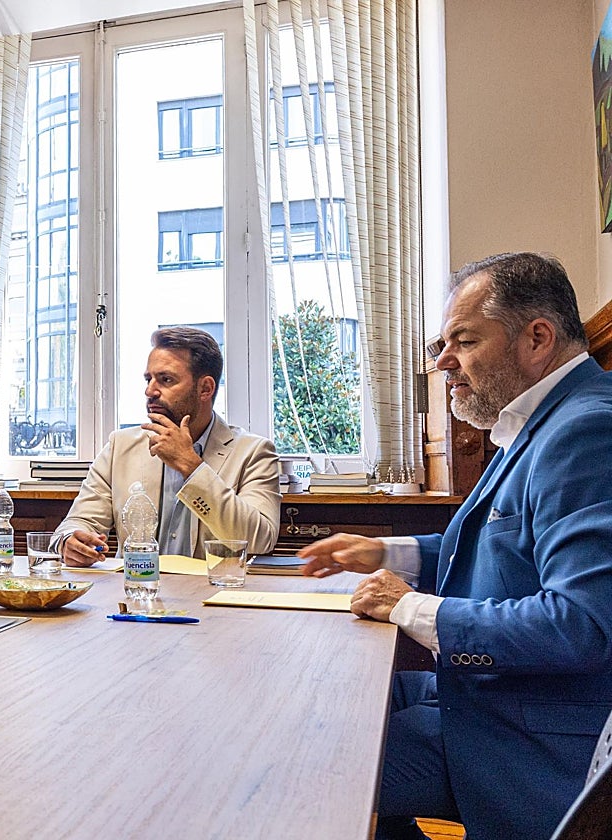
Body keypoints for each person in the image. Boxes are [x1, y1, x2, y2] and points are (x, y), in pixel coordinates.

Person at [298, 253, 612, 840]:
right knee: (352, 700)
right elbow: (497, 551)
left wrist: (408, 606)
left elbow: (581, 626)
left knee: (306, 757)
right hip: (496, 698)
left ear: (537, 337)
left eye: (463, 342)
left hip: (529, 738)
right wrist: (387, 553)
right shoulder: (541, 420)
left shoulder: (586, 430)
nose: (443, 363)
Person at [53, 326, 280, 565]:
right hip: (135, 591)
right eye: (148, 379)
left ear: (205, 388)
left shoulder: (254, 453)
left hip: (208, 595)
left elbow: (260, 539)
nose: (150, 391)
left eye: (166, 380)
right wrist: (70, 541)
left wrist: (192, 467)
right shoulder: (120, 446)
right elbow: (78, 522)